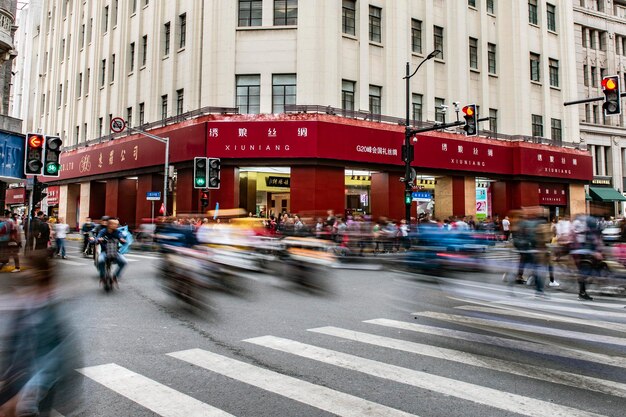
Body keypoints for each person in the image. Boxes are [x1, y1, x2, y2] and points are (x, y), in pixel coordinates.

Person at [96, 219, 128, 285]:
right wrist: (98, 239)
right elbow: (97, 238)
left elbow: (121, 237)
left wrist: (122, 240)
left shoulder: (117, 232)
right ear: (109, 225)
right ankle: (102, 276)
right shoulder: (103, 231)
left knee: (124, 262)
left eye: (117, 224)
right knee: (100, 260)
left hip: (115, 252)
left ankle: (115, 276)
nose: (116, 226)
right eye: (115, 224)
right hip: (104, 252)